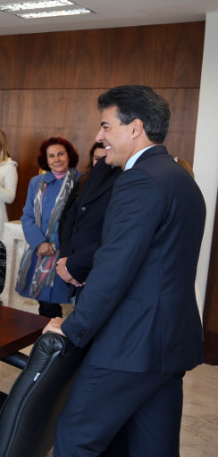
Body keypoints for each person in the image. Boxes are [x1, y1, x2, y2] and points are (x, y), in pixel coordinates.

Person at [44, 85, 206, 456]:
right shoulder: (181, 179)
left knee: (75, 435)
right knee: (153, 446)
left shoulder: (140, 180)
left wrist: (71, 328)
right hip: (168, 343)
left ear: (134, 128)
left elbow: (114, 268)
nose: (99, 137)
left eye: (105, 127)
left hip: (130, 343)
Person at [16, 137, 80, 318]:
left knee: (62, 306)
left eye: (61, 154)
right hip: (39, 253)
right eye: (51, 156)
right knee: (45, 305)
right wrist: (39, 243)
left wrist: (52, 245)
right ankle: (49, 342)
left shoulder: (80, 181)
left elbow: (77, 222)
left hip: (65, 253)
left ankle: (56, 342)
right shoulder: (36, 182)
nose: (57, 159)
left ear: (69, 155)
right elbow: (27, 216)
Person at [56, 142, 121, 302]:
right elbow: (71, 218)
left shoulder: (133, 176)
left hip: (99, 273)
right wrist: (68, 263)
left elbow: (117, 236)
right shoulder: (98, 170)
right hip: (75, 272)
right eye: (96, 158)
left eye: (106, 127)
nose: (100, 136)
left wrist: (77, 265)